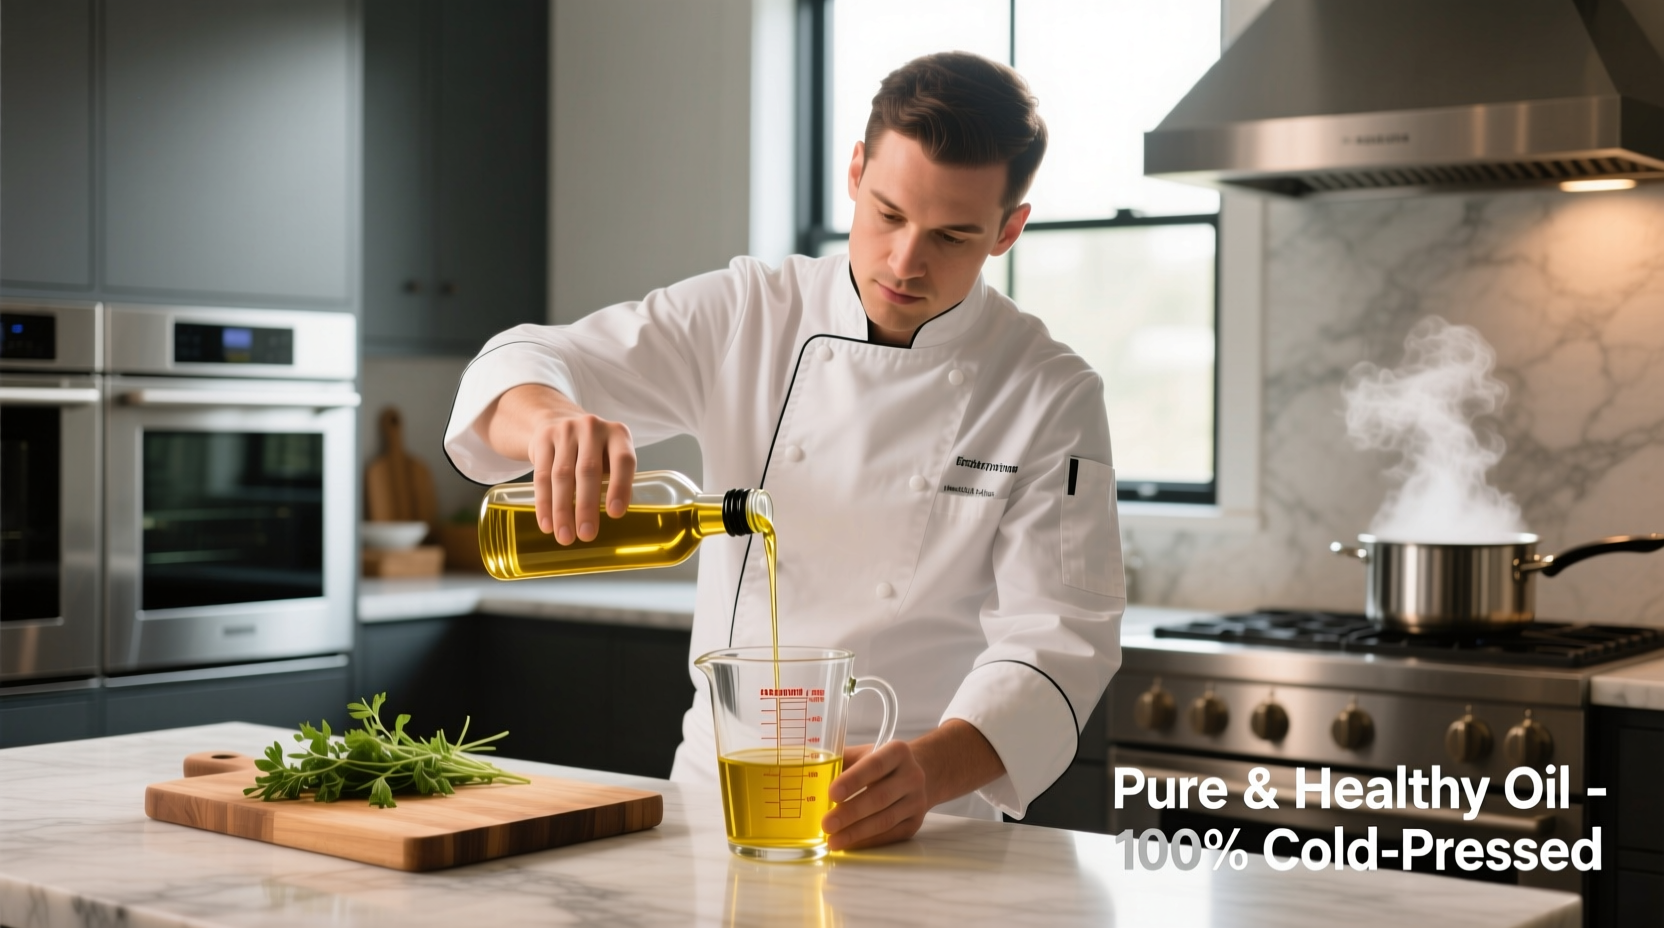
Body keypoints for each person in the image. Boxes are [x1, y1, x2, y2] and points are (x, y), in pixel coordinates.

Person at [444, 51, 1124, 851]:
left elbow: (1061, 637)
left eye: (952, 235)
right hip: (715, 800)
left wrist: (933, 771)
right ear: (855, 170)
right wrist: (550, 419)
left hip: (928, 822)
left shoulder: (1049, 391)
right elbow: (522, 362)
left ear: (1009, 229)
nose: (905, 263)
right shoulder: (750, 313)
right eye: (889, 214)